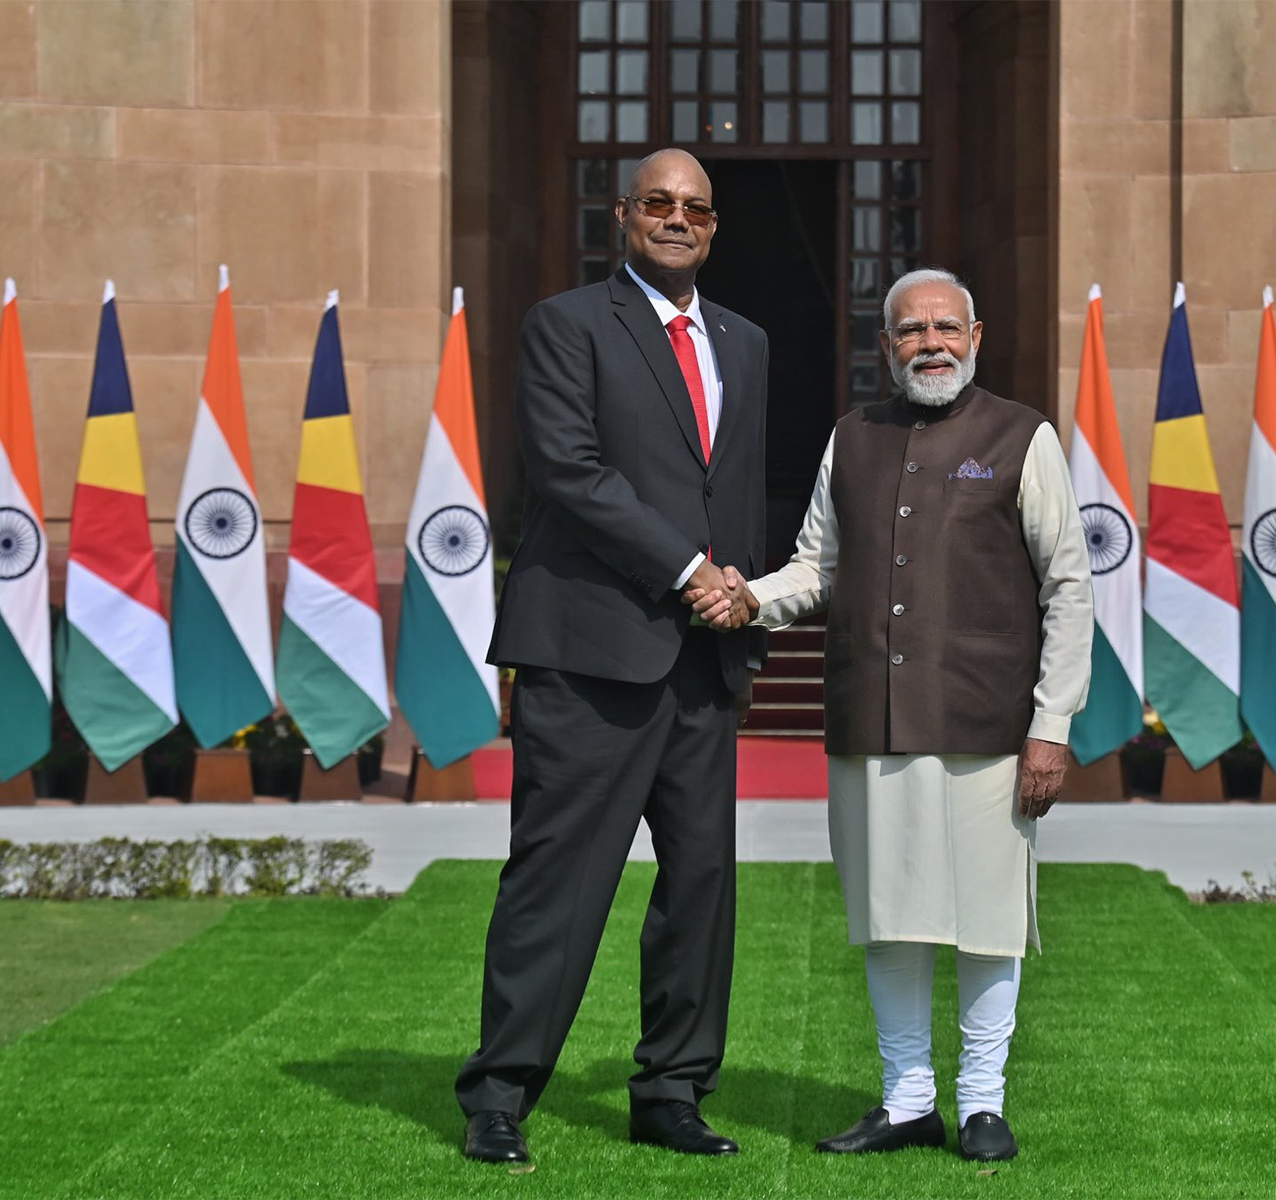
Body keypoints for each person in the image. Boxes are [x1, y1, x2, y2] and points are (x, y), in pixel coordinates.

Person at [692, 268, 1093, 1162]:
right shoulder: (853, 438)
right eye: (911, 331)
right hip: (871, 723)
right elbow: (817, 566)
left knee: (988, 921)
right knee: (890, 917)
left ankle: (982, 1100)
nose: (931, 344)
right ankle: (907, 1098)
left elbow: (1069, 588)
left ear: (977, 336)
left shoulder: (1023, 437)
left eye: (946, 328)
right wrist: (748, 599)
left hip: (992, 729)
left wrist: (1051, 725)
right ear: (886, 347)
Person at [457, 148, 768, 1165]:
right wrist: (691, 572)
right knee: (558, 880)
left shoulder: (745, 343)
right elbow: (569, 472)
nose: (677, 220)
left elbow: (736, 493)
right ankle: (499, 1094)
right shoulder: (565, 324)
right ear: (623, 216)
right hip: (589, 654)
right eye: (659, 205)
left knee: (699, 887)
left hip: (702, 662)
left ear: (713, 227)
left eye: (696, 208)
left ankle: (671, 1088)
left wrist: (743, 599)